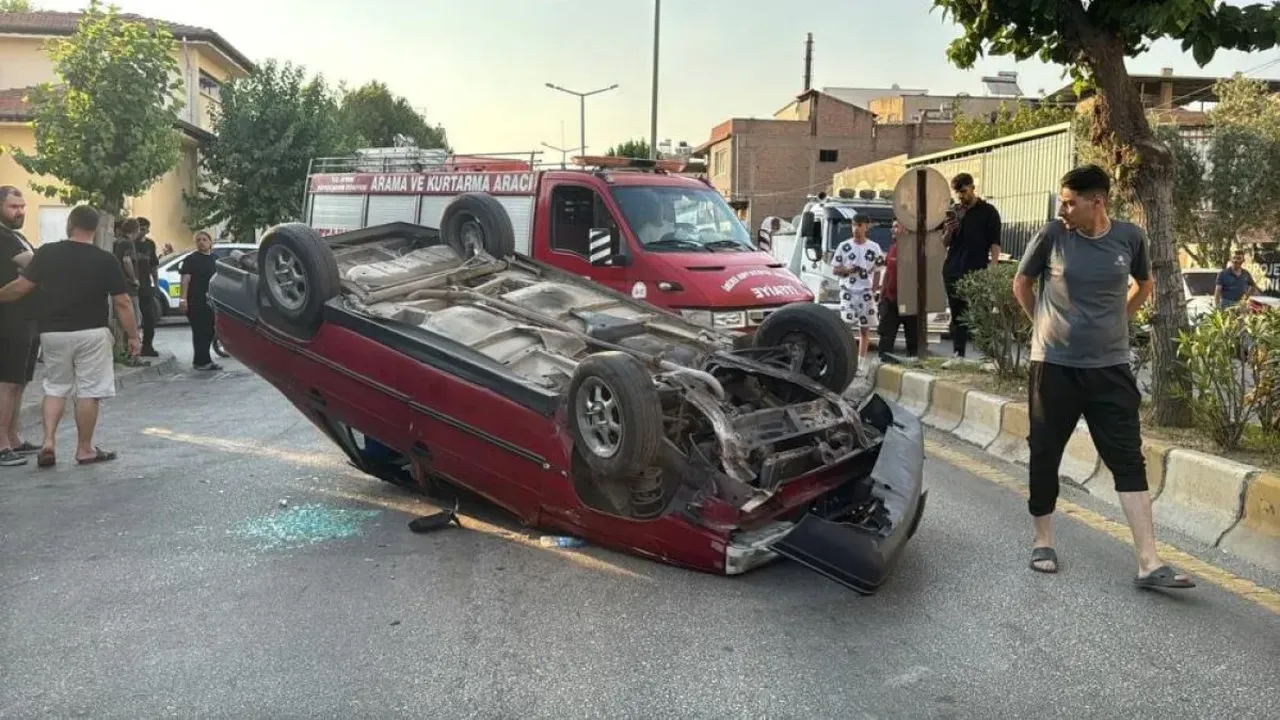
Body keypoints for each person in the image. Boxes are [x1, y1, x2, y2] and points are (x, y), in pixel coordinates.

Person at [1013, 164, 1194, 589]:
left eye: (1070, 202)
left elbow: (1144, 284)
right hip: (1054, 367)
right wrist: (1041, 326)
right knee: (1045, 452)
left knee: (1128, 459)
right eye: (1062, 200)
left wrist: (1120, 320)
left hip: (1110, 369)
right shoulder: (1052, 235)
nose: (1063, 208)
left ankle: (1149, 563)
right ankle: (1043, 540)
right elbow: (1021, 283)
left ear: (1098, 201)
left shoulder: (1129, 237)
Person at [0, 204, 139, 468]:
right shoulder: (104, 259)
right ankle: (85, 449)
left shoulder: (48, 253)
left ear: (69, 224)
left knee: (55, 387)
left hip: (52, 333)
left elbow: (21, 287)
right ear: (94, 229)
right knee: (89, 391)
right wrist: (133, 336)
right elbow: (122, 302)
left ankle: (49, 441)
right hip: (92, 333)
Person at [942, 173, 1002, 361]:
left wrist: (993, 266)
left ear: (972, 187)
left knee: (978, 312)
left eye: (964, 191)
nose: (961, 196)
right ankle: (958, 353)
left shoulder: (988, 212)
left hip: (976, 269)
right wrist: (949, 230)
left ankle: (988, 357)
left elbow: (995, 242)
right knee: (957, 313)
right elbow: (944, 243)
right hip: (952, 269)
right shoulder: (955, 211)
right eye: (958, 193)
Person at [0, 186, 40, 467]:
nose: (20, 211)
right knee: (7, 382)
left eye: (23, 206)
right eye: (14, 207)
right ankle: (1, 443)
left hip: (26, 317)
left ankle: (14, 436)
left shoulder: (18, 236)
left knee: (21, 381)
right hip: (8, 317)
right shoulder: (3, 237)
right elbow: (31, 263)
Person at [831, 213, 886, 371]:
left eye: (859, 225)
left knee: (864, 328)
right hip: (848, 289)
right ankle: (846, 360)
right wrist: (847, 270)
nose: (856, 229)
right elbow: (835, 269)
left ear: (866, 227)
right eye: (854, 225)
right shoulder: (844, 246)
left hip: (865, 291)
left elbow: (878, 271)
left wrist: (874, 291)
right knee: (846, 326)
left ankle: (861, 363)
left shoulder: (874, 247)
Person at [179, 231, 223, 371]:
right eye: (198, 240)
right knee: (199, 331)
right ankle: (200, 362)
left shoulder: (215, 259)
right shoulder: (191, 259)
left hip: (211, 301)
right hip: (195, 301)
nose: (201, 242)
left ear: (210, 242)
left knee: (210, 331)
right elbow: (185, 280)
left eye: (204, 239)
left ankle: (206, 360)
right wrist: (183, 299)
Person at [877, 220, 919, 361]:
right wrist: (882, 297)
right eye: (892, 226)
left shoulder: (916, 248)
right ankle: (883, 364)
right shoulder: (893, 247)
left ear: (906, 229)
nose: (892, 230)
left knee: (913, 341)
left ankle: (914, 363)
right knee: (885, 340)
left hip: (909, 301)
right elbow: (888, 273)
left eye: (896, 226)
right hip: (890, 301)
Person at [112, 218, 145, 365]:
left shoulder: (116, 242)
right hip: (129, 287)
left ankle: (122, 352)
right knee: (134, 321)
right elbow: (126, 260)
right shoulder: (127, 243)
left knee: (121, 322)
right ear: (136, 230)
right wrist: (134, 279)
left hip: (118, 285)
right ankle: (134, 356)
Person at [135, 217, 161, 357]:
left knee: (149, 317)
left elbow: (153, 266)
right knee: (133, 317)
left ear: (147, 230)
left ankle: (147, 346)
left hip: (145, 285)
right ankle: (133, 346)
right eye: (139, 228)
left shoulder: (150, 245)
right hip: (132, 286)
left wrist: (156, 284)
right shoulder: (129, 243)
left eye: (144, 229)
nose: (141, 232)